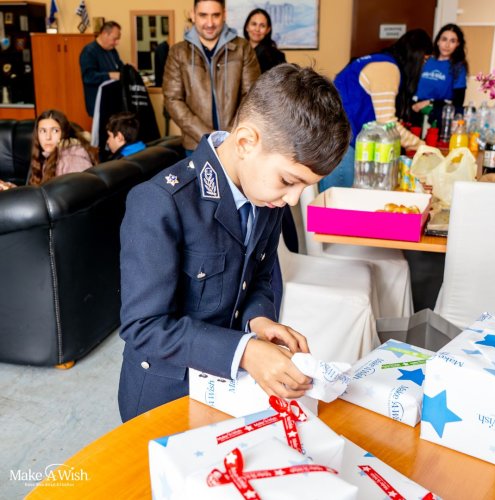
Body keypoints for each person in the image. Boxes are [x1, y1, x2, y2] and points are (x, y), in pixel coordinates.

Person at [117, 63, 351, 422]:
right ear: (245, 143)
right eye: (289, 181)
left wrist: (259, 320)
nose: (293, 200)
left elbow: (260, 276)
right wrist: (245, 352)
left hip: (232, 391)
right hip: (166, 396)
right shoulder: (162, 202)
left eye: (304, 187)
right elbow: (143, 328)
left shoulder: (265, 195)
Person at [319, 29, 433, 190]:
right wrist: (422, 146)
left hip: (334, 139)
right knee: (339, 204)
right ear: (415, 56)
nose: (423, 67)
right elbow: (387, 124)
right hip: (340, 145)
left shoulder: (379, 61)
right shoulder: (386, 69)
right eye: (425, 60)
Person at [163, 0, 261, 154]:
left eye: (215, 15)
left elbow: (252, 96)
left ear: (224, 15)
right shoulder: (178, 52)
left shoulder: (243, 48)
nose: (209, 23)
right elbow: (173, 99)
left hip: (235, 143)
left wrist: (227, 137)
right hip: (196, 145)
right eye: (203, 15)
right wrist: (208, 137)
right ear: (193, 15)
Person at [412, 24, 468, 124]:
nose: (447, 45)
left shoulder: (458, 67)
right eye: (444, 39)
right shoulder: (425, 60)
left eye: (452, 41)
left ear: (458, 44)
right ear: (438, 41)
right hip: (414, 112)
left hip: (438, 116)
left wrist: (430, 102)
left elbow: (458, 102)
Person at [28, 109, 98, 186]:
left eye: (55, 131)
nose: (48, 137)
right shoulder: (47, 156)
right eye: (43, 131)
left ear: (64, 133)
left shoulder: (72, 159)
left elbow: (85, 190)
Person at [80, 21, 124, 117]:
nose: (117, 43)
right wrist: (110, 75)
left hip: (113, 104)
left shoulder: (112, 51)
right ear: (104, 34)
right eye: (115, 39)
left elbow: (120, 67)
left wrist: (128, 69)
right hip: (99, 106)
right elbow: (88, 77)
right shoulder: (89, 52)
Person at [243, 8, 286, 73]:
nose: (257, 29)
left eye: (262, 26)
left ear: (268, 30)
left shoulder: (277, 56)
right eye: (254, 24)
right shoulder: (238, 51)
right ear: (247, 27)